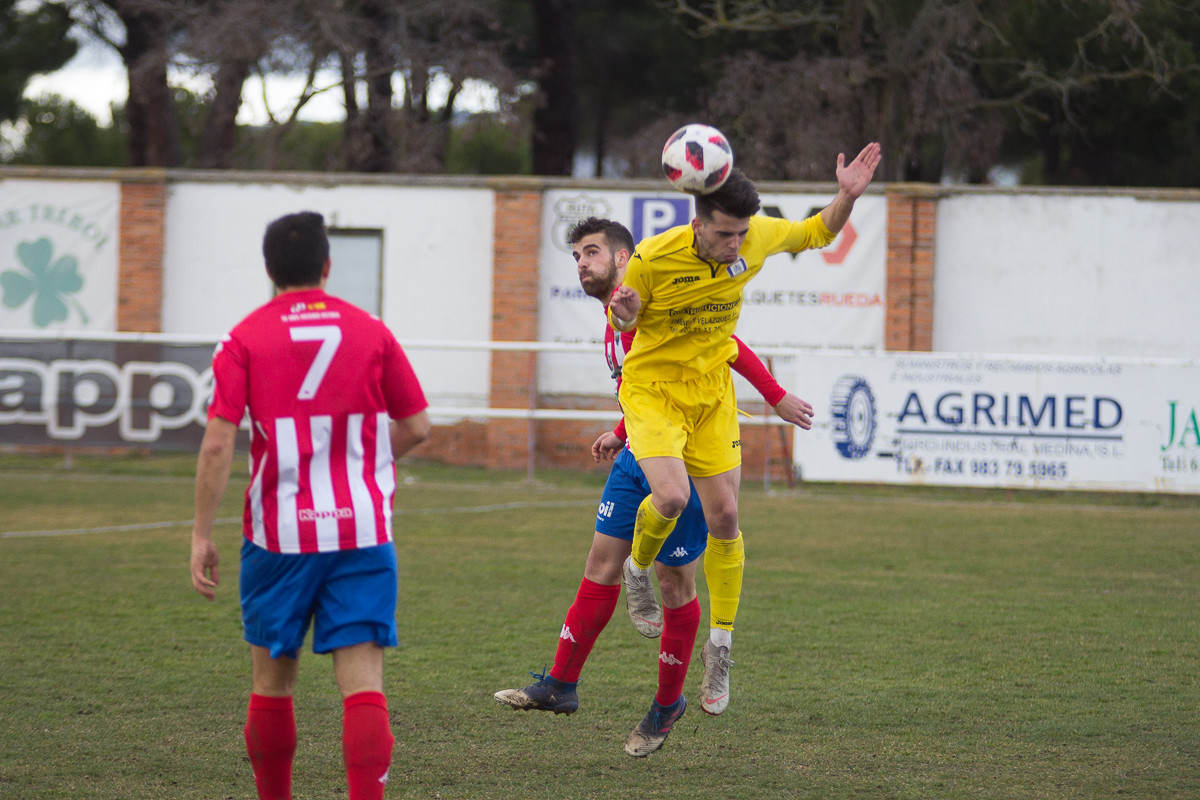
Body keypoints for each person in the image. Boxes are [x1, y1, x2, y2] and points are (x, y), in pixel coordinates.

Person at [494, 217, 814, 757]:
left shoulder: (658, 300)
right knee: (601, 564)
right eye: (576, 256)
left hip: (685, 459)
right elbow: (646, 384)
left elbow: (727, 345)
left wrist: (775, 395)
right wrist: (621, 432)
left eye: (592, 253)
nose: (581, 264)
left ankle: (667, 706)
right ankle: (560, 685)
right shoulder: (615, 316)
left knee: (674, 584)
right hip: (638, 453)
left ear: (624, 259)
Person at [607, 144, 882, 718]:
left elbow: (818, 232)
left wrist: (846, 196)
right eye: (725, 234)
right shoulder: (653, 257)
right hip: (654, 391)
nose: (736, 244)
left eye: (741, 234)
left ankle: (721, 649)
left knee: (727, 517)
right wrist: (624, 310)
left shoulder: (755, 237)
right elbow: (623, 319)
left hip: (711, 395)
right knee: (671, 496)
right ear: (698, 225)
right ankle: (637, 570)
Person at [189, 211, 431, 800]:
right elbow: (418, 426)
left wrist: (200, 534)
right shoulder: (371, 330)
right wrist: (365, 465)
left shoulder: (244, 337)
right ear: (327, 265)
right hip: (361, 530)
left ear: (270, 269)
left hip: (279, 535)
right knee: (364, 684)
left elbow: (218, 442)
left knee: (272, 685)